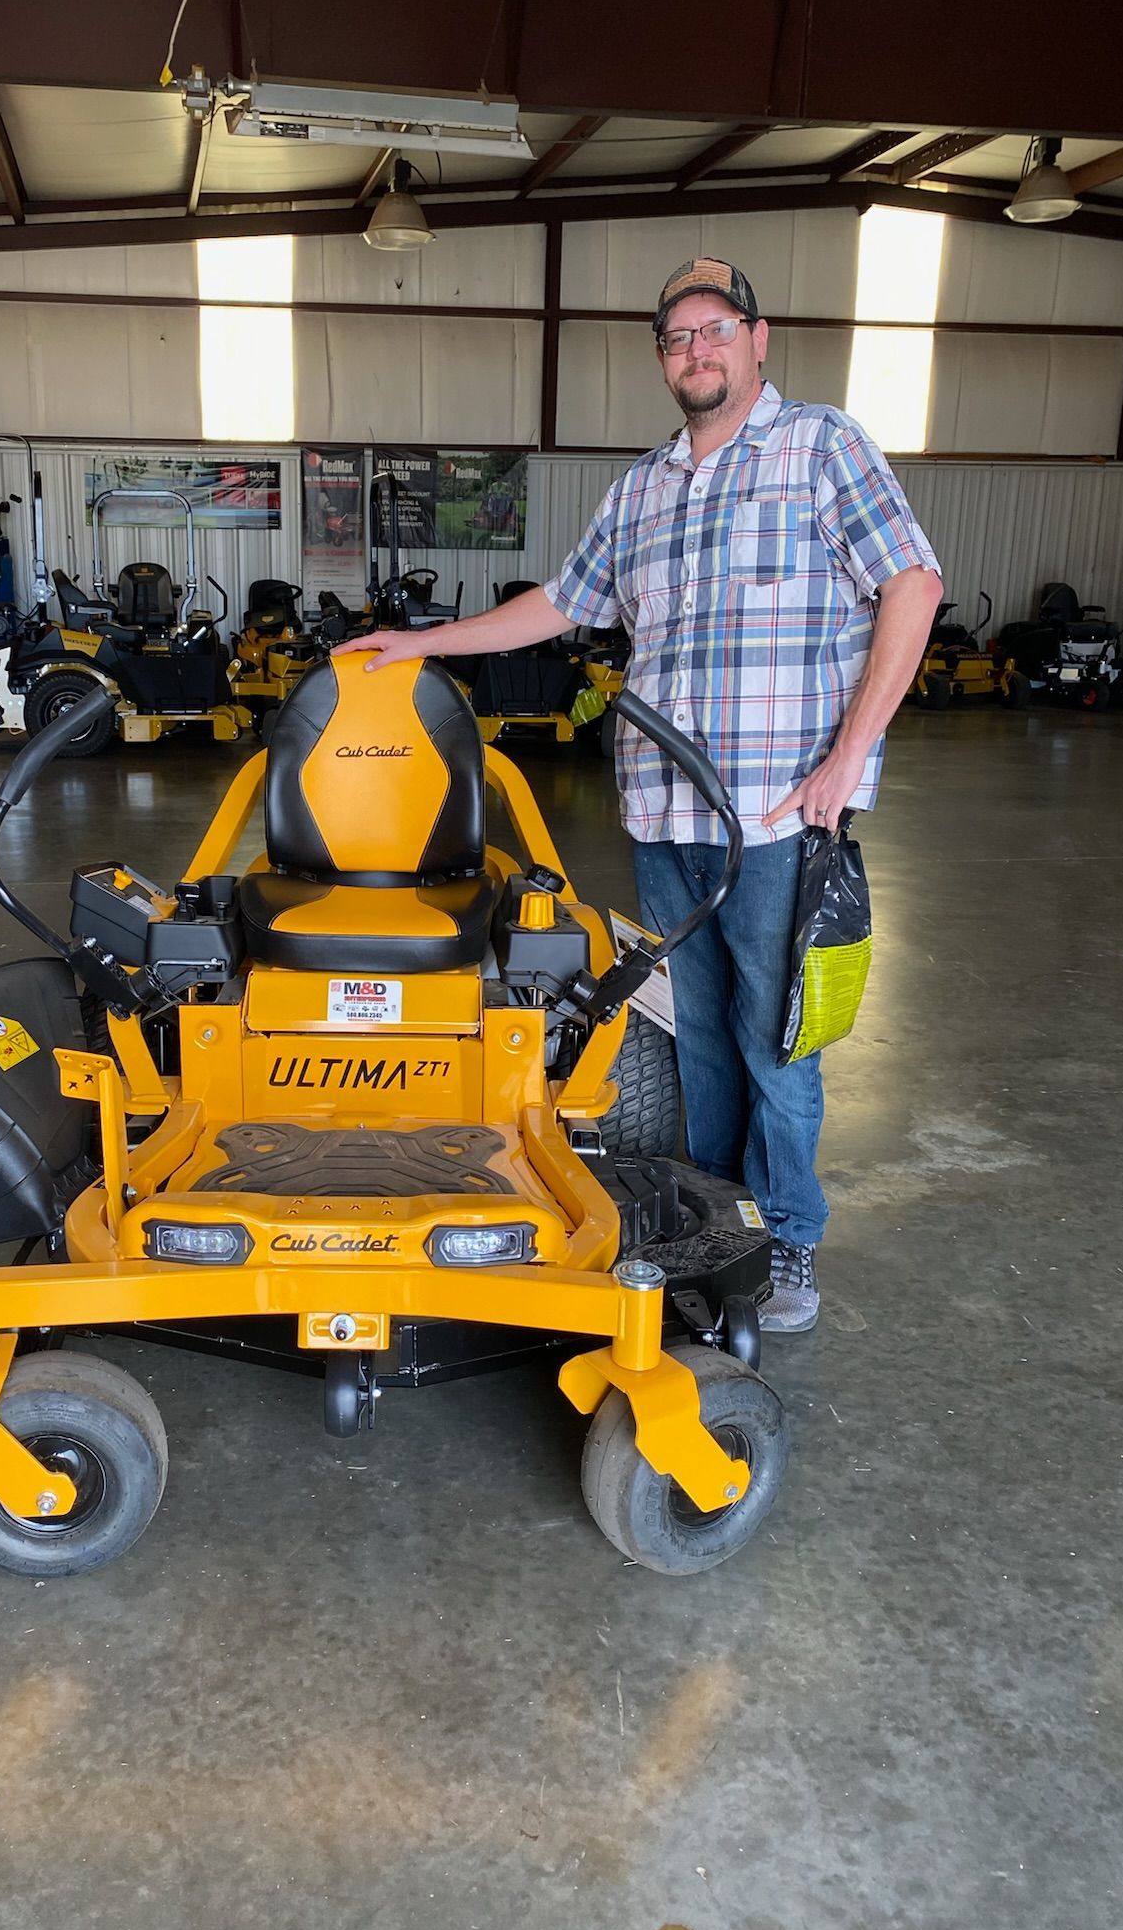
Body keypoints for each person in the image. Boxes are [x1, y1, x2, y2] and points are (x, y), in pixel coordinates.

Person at [335, 256, 941, 1334]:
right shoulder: (643, 488)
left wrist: (849, 760)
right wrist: (420, 646)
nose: (697, 350)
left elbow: (914, 582)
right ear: (664, 360)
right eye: (677, 338)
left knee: (776, 1039)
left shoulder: (819, 447)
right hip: (665, 816)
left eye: (716, 329)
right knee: (699, 1037)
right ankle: (713, 1213)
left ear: (759, 339)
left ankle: (789, 1240)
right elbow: (558, 605)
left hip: (778, 816)